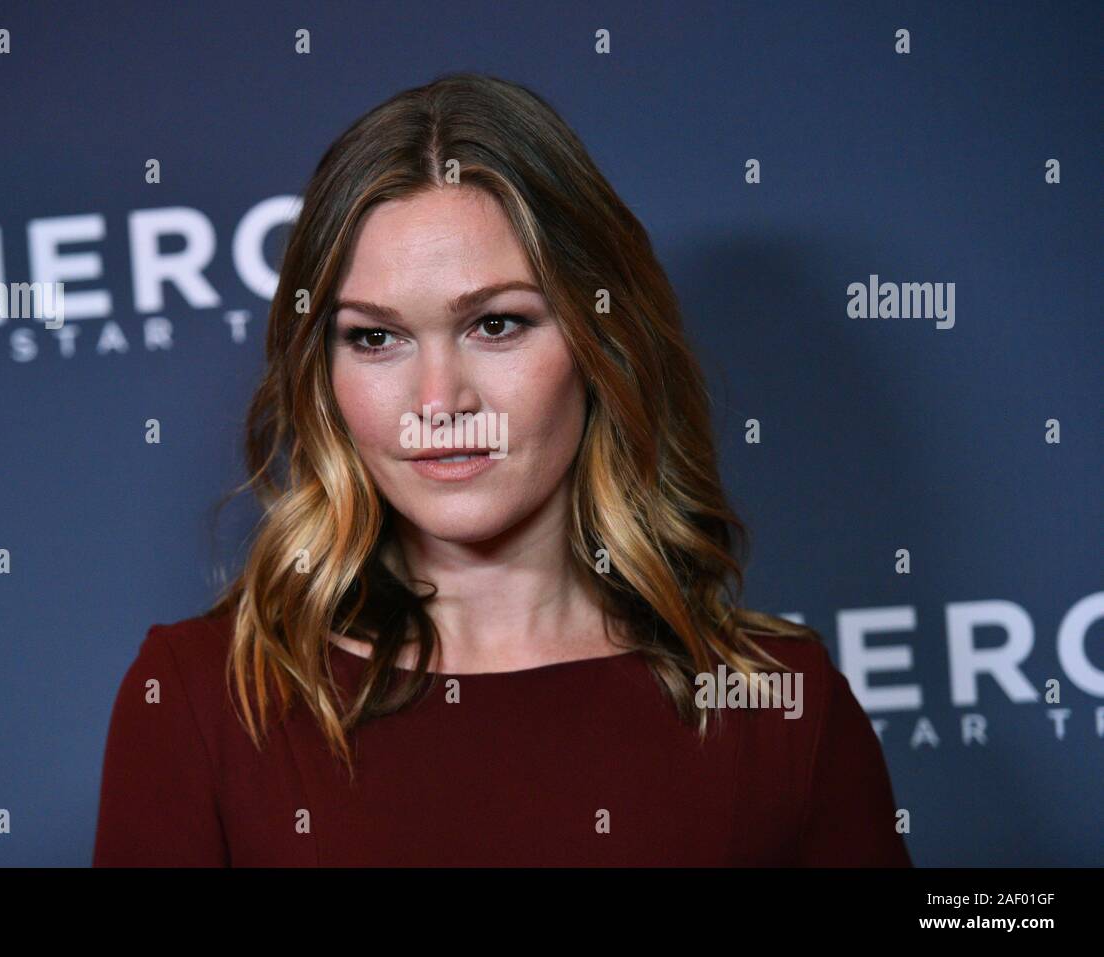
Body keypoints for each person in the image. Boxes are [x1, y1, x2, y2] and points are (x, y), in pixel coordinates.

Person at [93, 71, 912, 867]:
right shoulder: (203, 702)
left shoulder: (778, 706)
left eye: (495, 323)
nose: (438, 400)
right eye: (375, 337)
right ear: (323, 375)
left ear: (603, 342)